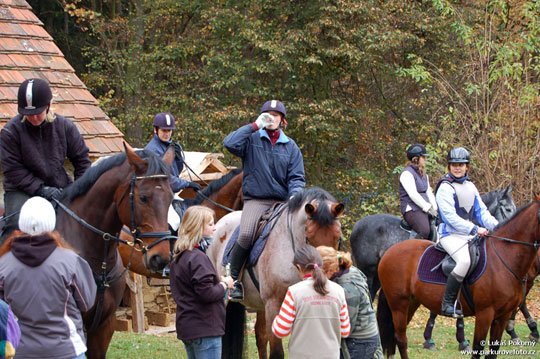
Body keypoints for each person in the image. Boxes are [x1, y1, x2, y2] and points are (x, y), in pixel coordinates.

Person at [223, 100, 306, 301]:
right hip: (256, 200)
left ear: (283, 120)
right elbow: (229, 143)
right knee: (246, 234)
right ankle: (234, 279)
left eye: (275, 115)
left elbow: (297, 177)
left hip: (284, 202)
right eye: (267, 114)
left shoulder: (291, 146)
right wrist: (254, 125)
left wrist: (295, 195)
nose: (271, 118)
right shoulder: (251, 139)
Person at [0, 196, 97, 359]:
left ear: (21, 223)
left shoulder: (3, 264)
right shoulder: (71, 261)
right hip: (66, 350)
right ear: (52, 223)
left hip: (20, 352)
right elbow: (87, 302)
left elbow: (2, 313)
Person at [0, 78, 91, 240]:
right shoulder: (10, 132)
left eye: (38, 113)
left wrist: (79, 190)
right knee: (16, 224)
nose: (34, 118)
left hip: (58, 185)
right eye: (28, 115)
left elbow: (82, 160)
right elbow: (13, 170)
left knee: (77, 222)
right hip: (20, 189)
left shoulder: (65, 127)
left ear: (48, 106)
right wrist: (41, 189)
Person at [435, 147, 498, 318]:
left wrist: (498, 227)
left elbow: (482, 212)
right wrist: (475, 229)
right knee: (463, 261)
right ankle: (447, 303)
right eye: (454, 164)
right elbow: (449, 217)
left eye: (461, 164)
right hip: (449, 234)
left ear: (467, 166)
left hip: (468, 234)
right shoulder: (445, 187)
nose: (457, 167)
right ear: (449, 166)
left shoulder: (470, 186)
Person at [169, 206, 234, 359]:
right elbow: (207, 294)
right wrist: (225, 284)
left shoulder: (180, 257)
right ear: (198, 227)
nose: (215, 227)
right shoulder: (197, 258)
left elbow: (192, 290)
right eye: (210, 224)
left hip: (188, 327)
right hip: (204, 330)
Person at [272, 245, 350, 359]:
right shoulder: (339, 291)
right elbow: (345, 331)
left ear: (299, 267)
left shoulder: (294, 292)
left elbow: (280, 331)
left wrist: (276, 319)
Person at [317, 246, 382, 359]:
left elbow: (346, 328)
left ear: (329, 270)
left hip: (360, 342)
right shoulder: (347, 270)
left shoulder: (348, 288)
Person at [144, 112, 201, 219]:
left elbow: (176, 172)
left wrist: (179, 158)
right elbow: (164, 178)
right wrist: (187, 184)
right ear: (155, 130)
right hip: (157, 196)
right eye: (163, 130)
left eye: (169, 130)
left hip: (169, 194)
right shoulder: (151, 151)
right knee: (175, 221)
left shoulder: (172, 146)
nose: (167, 134)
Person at [398, 143, 438, 239]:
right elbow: (413, 194)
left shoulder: (424, 175)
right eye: (423, 157)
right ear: (416, 159)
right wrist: (428, 207)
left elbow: (428, 191)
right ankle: (411, 252)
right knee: (424, 230)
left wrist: (435, 207)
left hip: (423, 208)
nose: (425, 160)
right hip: (411, 208)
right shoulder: (407, 174)